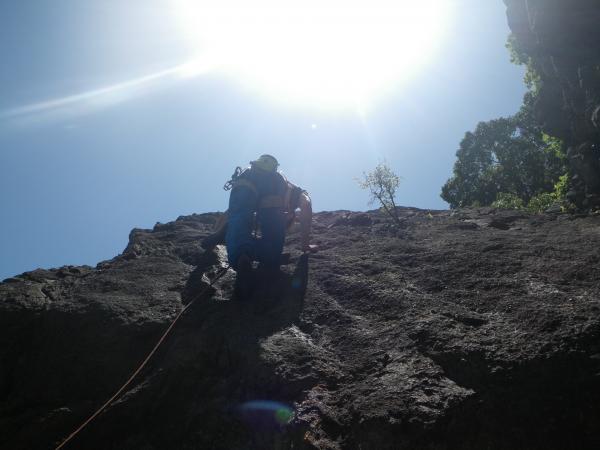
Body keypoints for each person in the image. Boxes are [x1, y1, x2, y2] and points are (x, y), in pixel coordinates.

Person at [202, 155, 313, 297]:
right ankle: (252, 256)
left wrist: (217, 233)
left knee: (239, 218)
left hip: (244, 182)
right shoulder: (292, 189)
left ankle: (242, 255)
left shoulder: (253, 172)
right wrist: (305, 245)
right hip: (273, 196)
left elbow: (234, 214)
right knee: (272, 250)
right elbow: (306, 204)